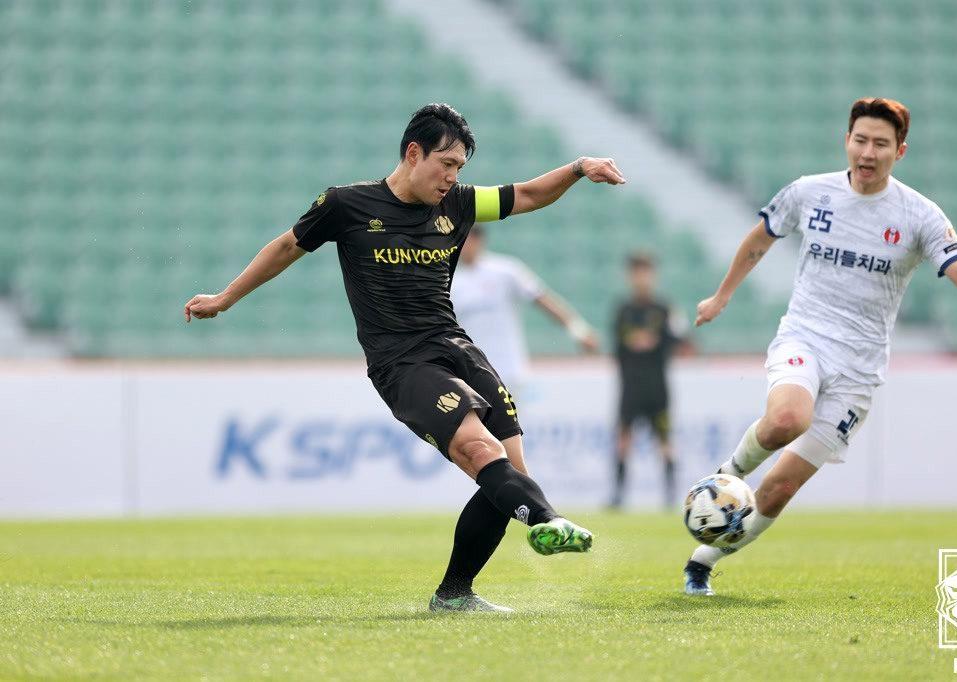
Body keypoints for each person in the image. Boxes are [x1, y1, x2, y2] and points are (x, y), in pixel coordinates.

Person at [183, 103, 627, 612]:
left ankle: (455, 596)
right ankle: (549, 523)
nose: (452, 176)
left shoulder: (458, 205)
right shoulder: (346, 204)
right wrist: (225, 297)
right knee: (484, 455)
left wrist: (576, 168)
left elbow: (525, 194)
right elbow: (286, 246)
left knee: (510, 479)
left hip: (458, 349)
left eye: (460, 167)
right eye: (446, 163)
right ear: (413, 153)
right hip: (402, 362)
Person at [683, 97, 957, 596]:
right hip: (805, 338)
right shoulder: (810, 193)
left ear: (900, 151)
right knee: (786, 420)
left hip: (859, 370)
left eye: (881, 143)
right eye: (861, 140)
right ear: (846, 141)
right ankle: (724, 478)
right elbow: (758, 240)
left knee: (781, 487)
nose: (868, 152)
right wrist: (721, 296)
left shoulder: (919, 215)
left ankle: (700, 563)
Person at [451, 223, 599, 395]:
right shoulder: (449, 281)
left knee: (509, 421)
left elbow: (543, 300)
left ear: (479, 239)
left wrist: (578, 330)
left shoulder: (505, 270)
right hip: (471, 374)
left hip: (509, 371)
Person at [609, 252, 691, 510]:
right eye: (636, 272)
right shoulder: (623, 310)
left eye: (645, 271)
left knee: (665, 442)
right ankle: (618, 497)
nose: (641, 277)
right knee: (623, 440)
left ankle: (669, 497)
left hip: (657, 387)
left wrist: (655, 341)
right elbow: (618, 346)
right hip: (630, 386)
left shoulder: (664, 309)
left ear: (653, 275)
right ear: (629, 276)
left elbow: (680, 339)